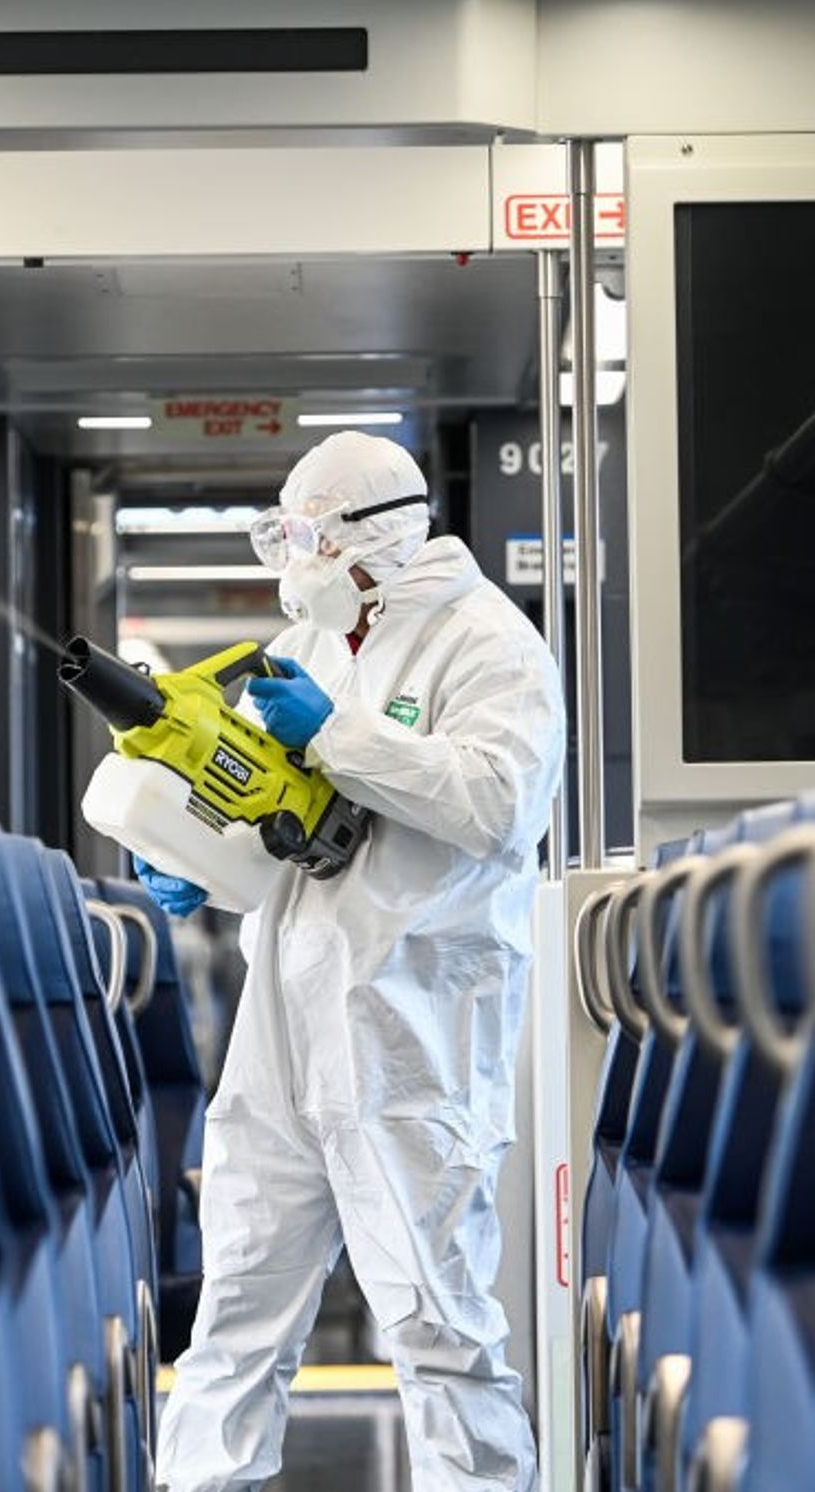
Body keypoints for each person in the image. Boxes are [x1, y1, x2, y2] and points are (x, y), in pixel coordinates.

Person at [141, 431, 565, 1491]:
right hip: (284, 1018)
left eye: (304, 536)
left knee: (435, 1320)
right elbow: (282, 812)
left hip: (413, 1025)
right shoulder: (318, 645)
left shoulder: (488, 644)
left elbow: (496, 805)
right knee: (236, 1304)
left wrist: (338, 736)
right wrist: (201, 857)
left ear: (368, 540)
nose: (290, 558)